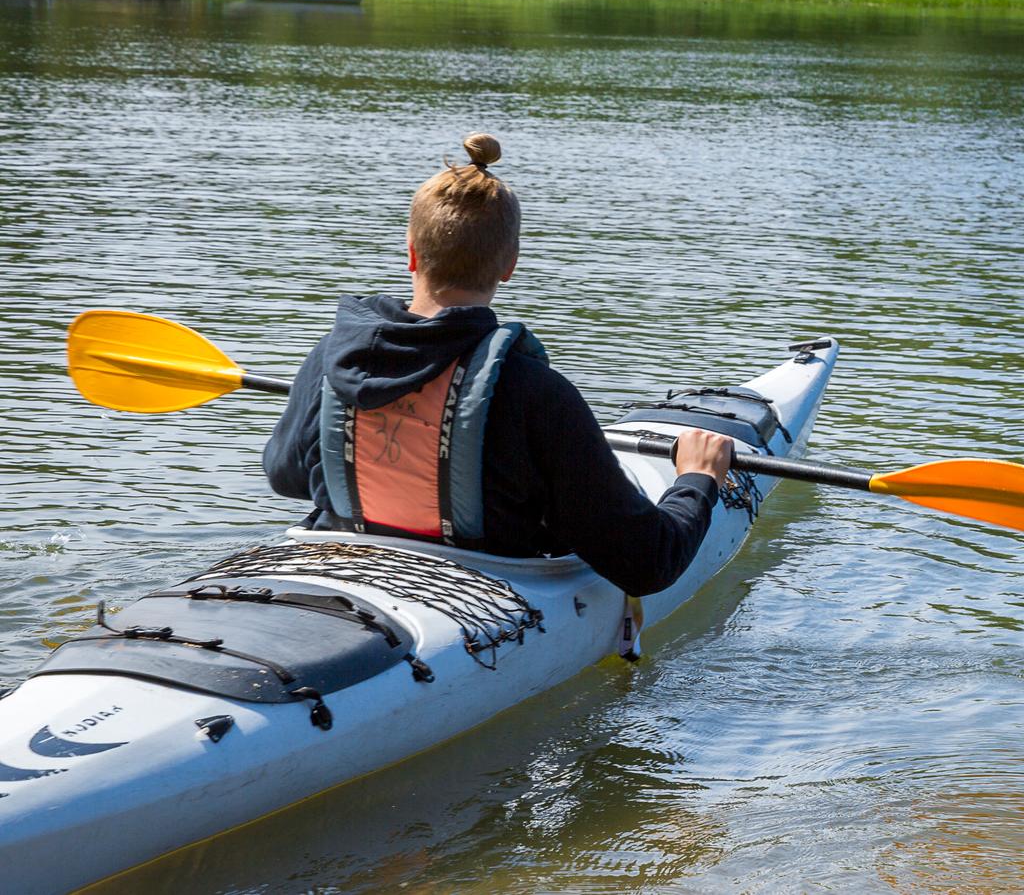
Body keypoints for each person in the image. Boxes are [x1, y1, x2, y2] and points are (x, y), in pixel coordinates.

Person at [263, 133, 733, 598]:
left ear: (411, 253)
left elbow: (285, 475)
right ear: (509, 264)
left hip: (342, 563)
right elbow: (648, 564)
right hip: (480, 589)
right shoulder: (535, 390)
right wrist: (698, 478)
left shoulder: (335, 355)